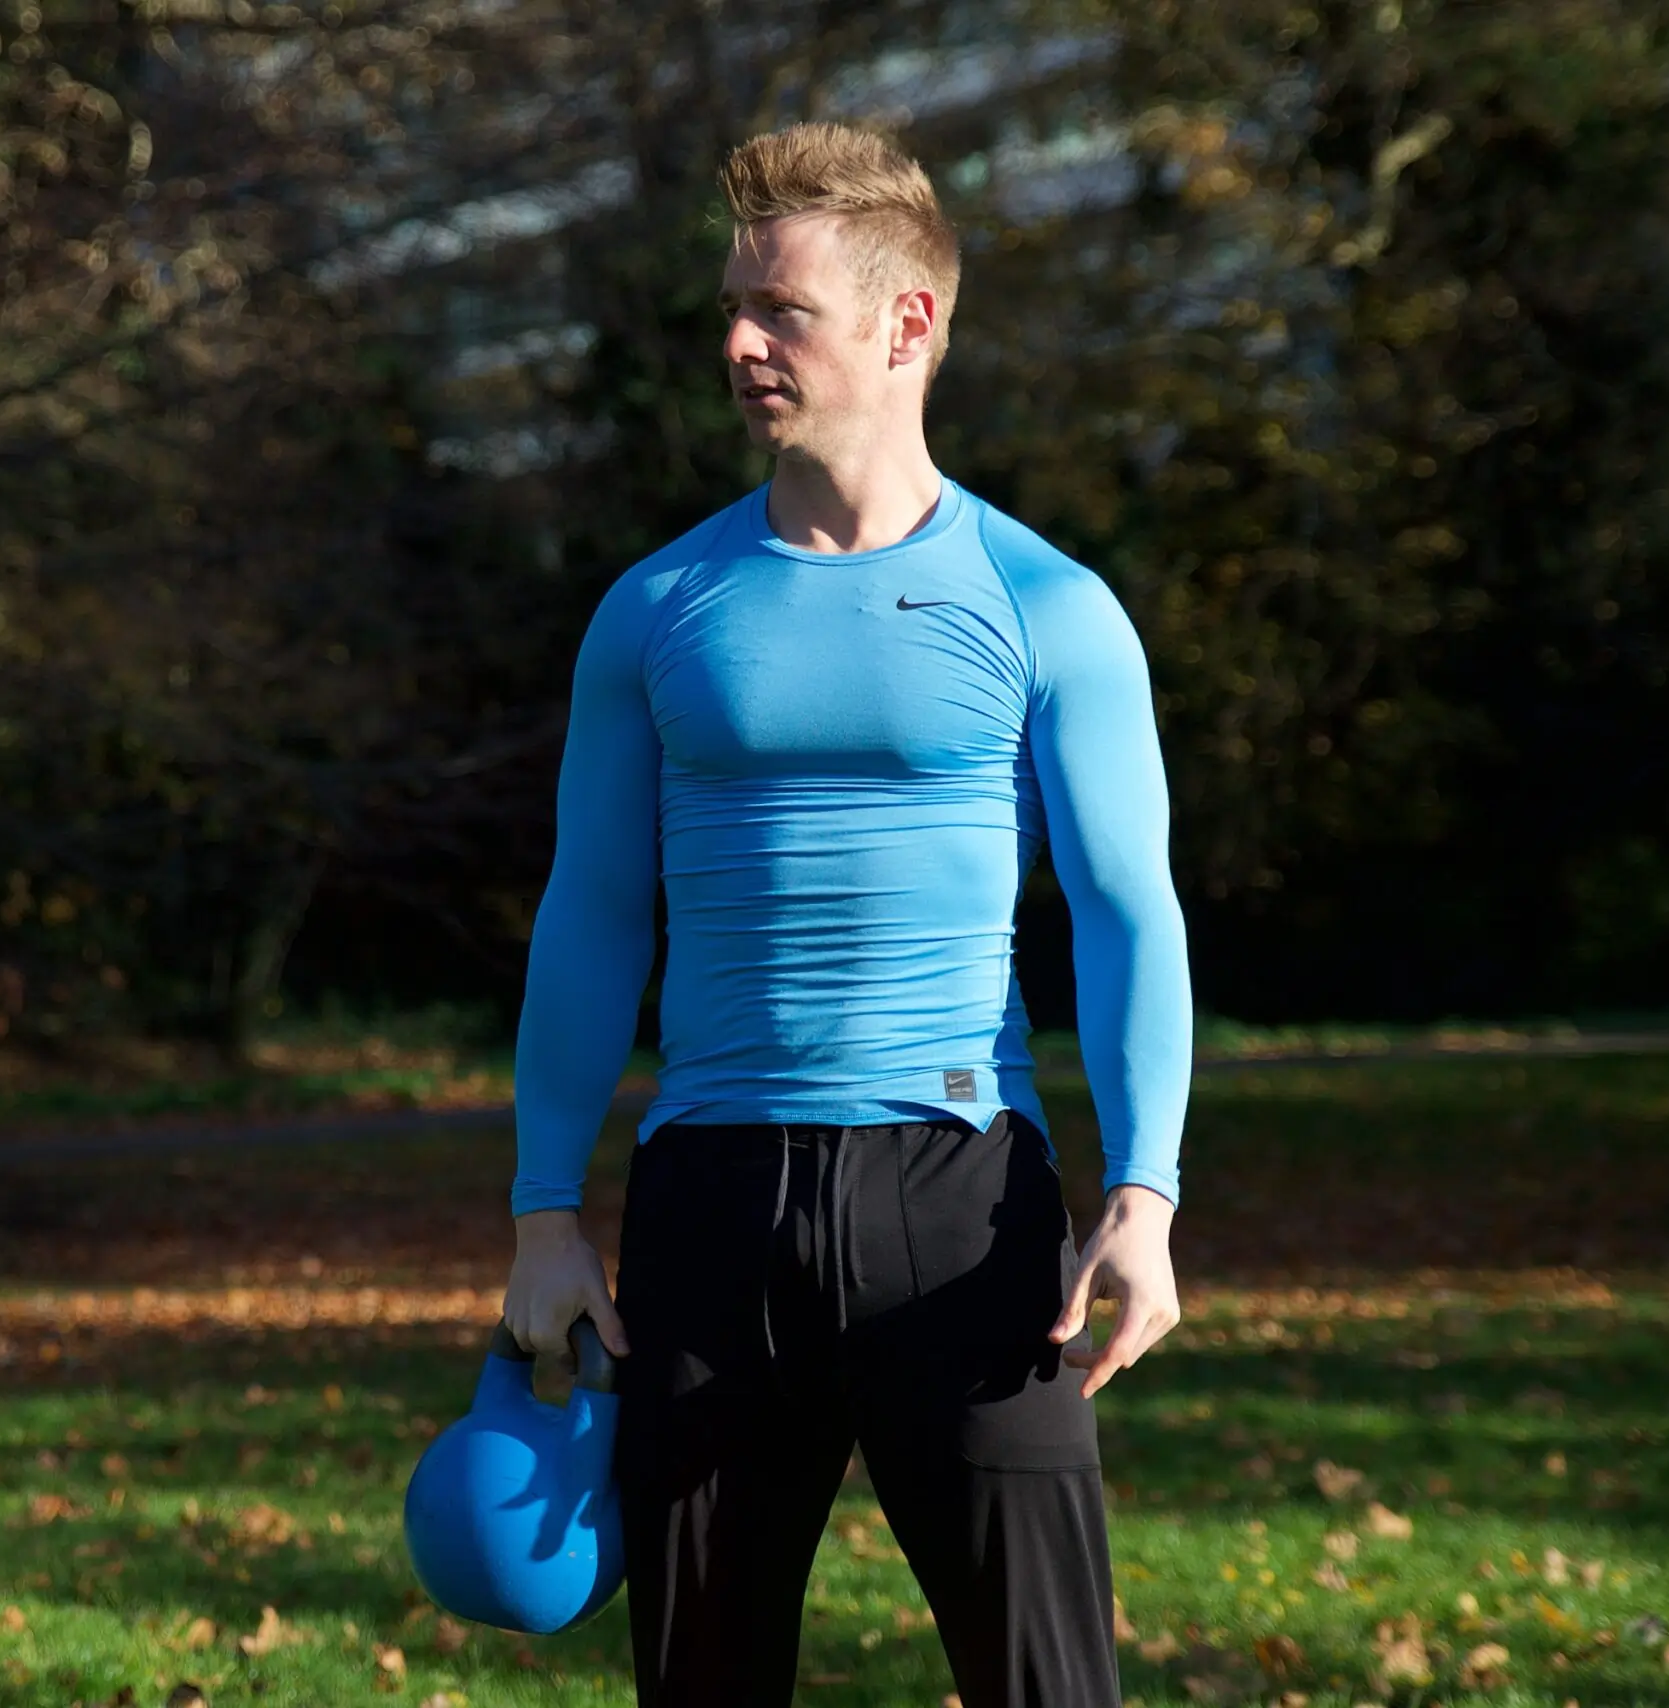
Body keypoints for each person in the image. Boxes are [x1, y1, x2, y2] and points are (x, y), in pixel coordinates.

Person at [497, 121, 1192, 1708]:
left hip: (961, 1203)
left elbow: (1126, 911)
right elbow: (592, 915)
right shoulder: (658, 608)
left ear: (908, 323)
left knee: (1048, 1685)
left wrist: (1144, 1196)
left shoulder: (1049, 607)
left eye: (782, 312)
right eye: (733, 310)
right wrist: (545, 1212)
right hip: (711, 1209)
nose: (741, 344)